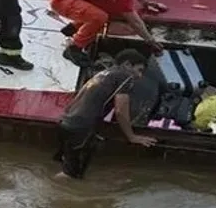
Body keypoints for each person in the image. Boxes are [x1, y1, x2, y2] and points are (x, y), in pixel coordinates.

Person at [53, 48, 157, 179]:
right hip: (82, 128)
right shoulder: (125, 76)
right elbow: (120, 109)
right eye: (139, 70)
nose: (139, 76)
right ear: (127, 65)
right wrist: (132, 136)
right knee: (72, 177)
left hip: (65, 122)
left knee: (66, 166)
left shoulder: (103, 73)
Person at [49, 0, 166, 67]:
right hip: (61, 1)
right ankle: (74, 48)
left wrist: (144, 2)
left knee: (116, 9)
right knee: (100, 17)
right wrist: (150, 41)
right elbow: (134, 21)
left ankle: (74, 28)